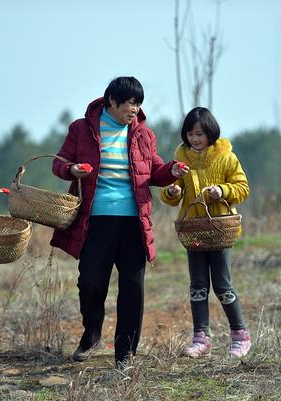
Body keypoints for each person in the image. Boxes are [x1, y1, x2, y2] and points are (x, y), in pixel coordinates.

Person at [50, 76, 187, 366]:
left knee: (133, 287)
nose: (135, 109)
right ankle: (92, 331)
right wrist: (71, 169)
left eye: (139, 104)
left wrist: (172, 171)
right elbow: (57, 163)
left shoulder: (144, 135)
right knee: (89, 282)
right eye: (130, 103)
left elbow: (154, 171)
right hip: (95, 220)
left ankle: (125, 354)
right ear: (112, 101)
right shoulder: (81, 129)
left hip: (134, 221)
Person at [161, 107, 251, 358]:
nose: (195, 139)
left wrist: (222, 191)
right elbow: (169, 193)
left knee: (222, 285)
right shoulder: (181, 162)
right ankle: (201, 338)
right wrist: (172, 192)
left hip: (220, 228)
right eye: (190, 134)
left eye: (199, 133)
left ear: (210, 132)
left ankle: (240, 335)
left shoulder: (227, 158)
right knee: (198, 286)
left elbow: (242, 187)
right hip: (193, 231)